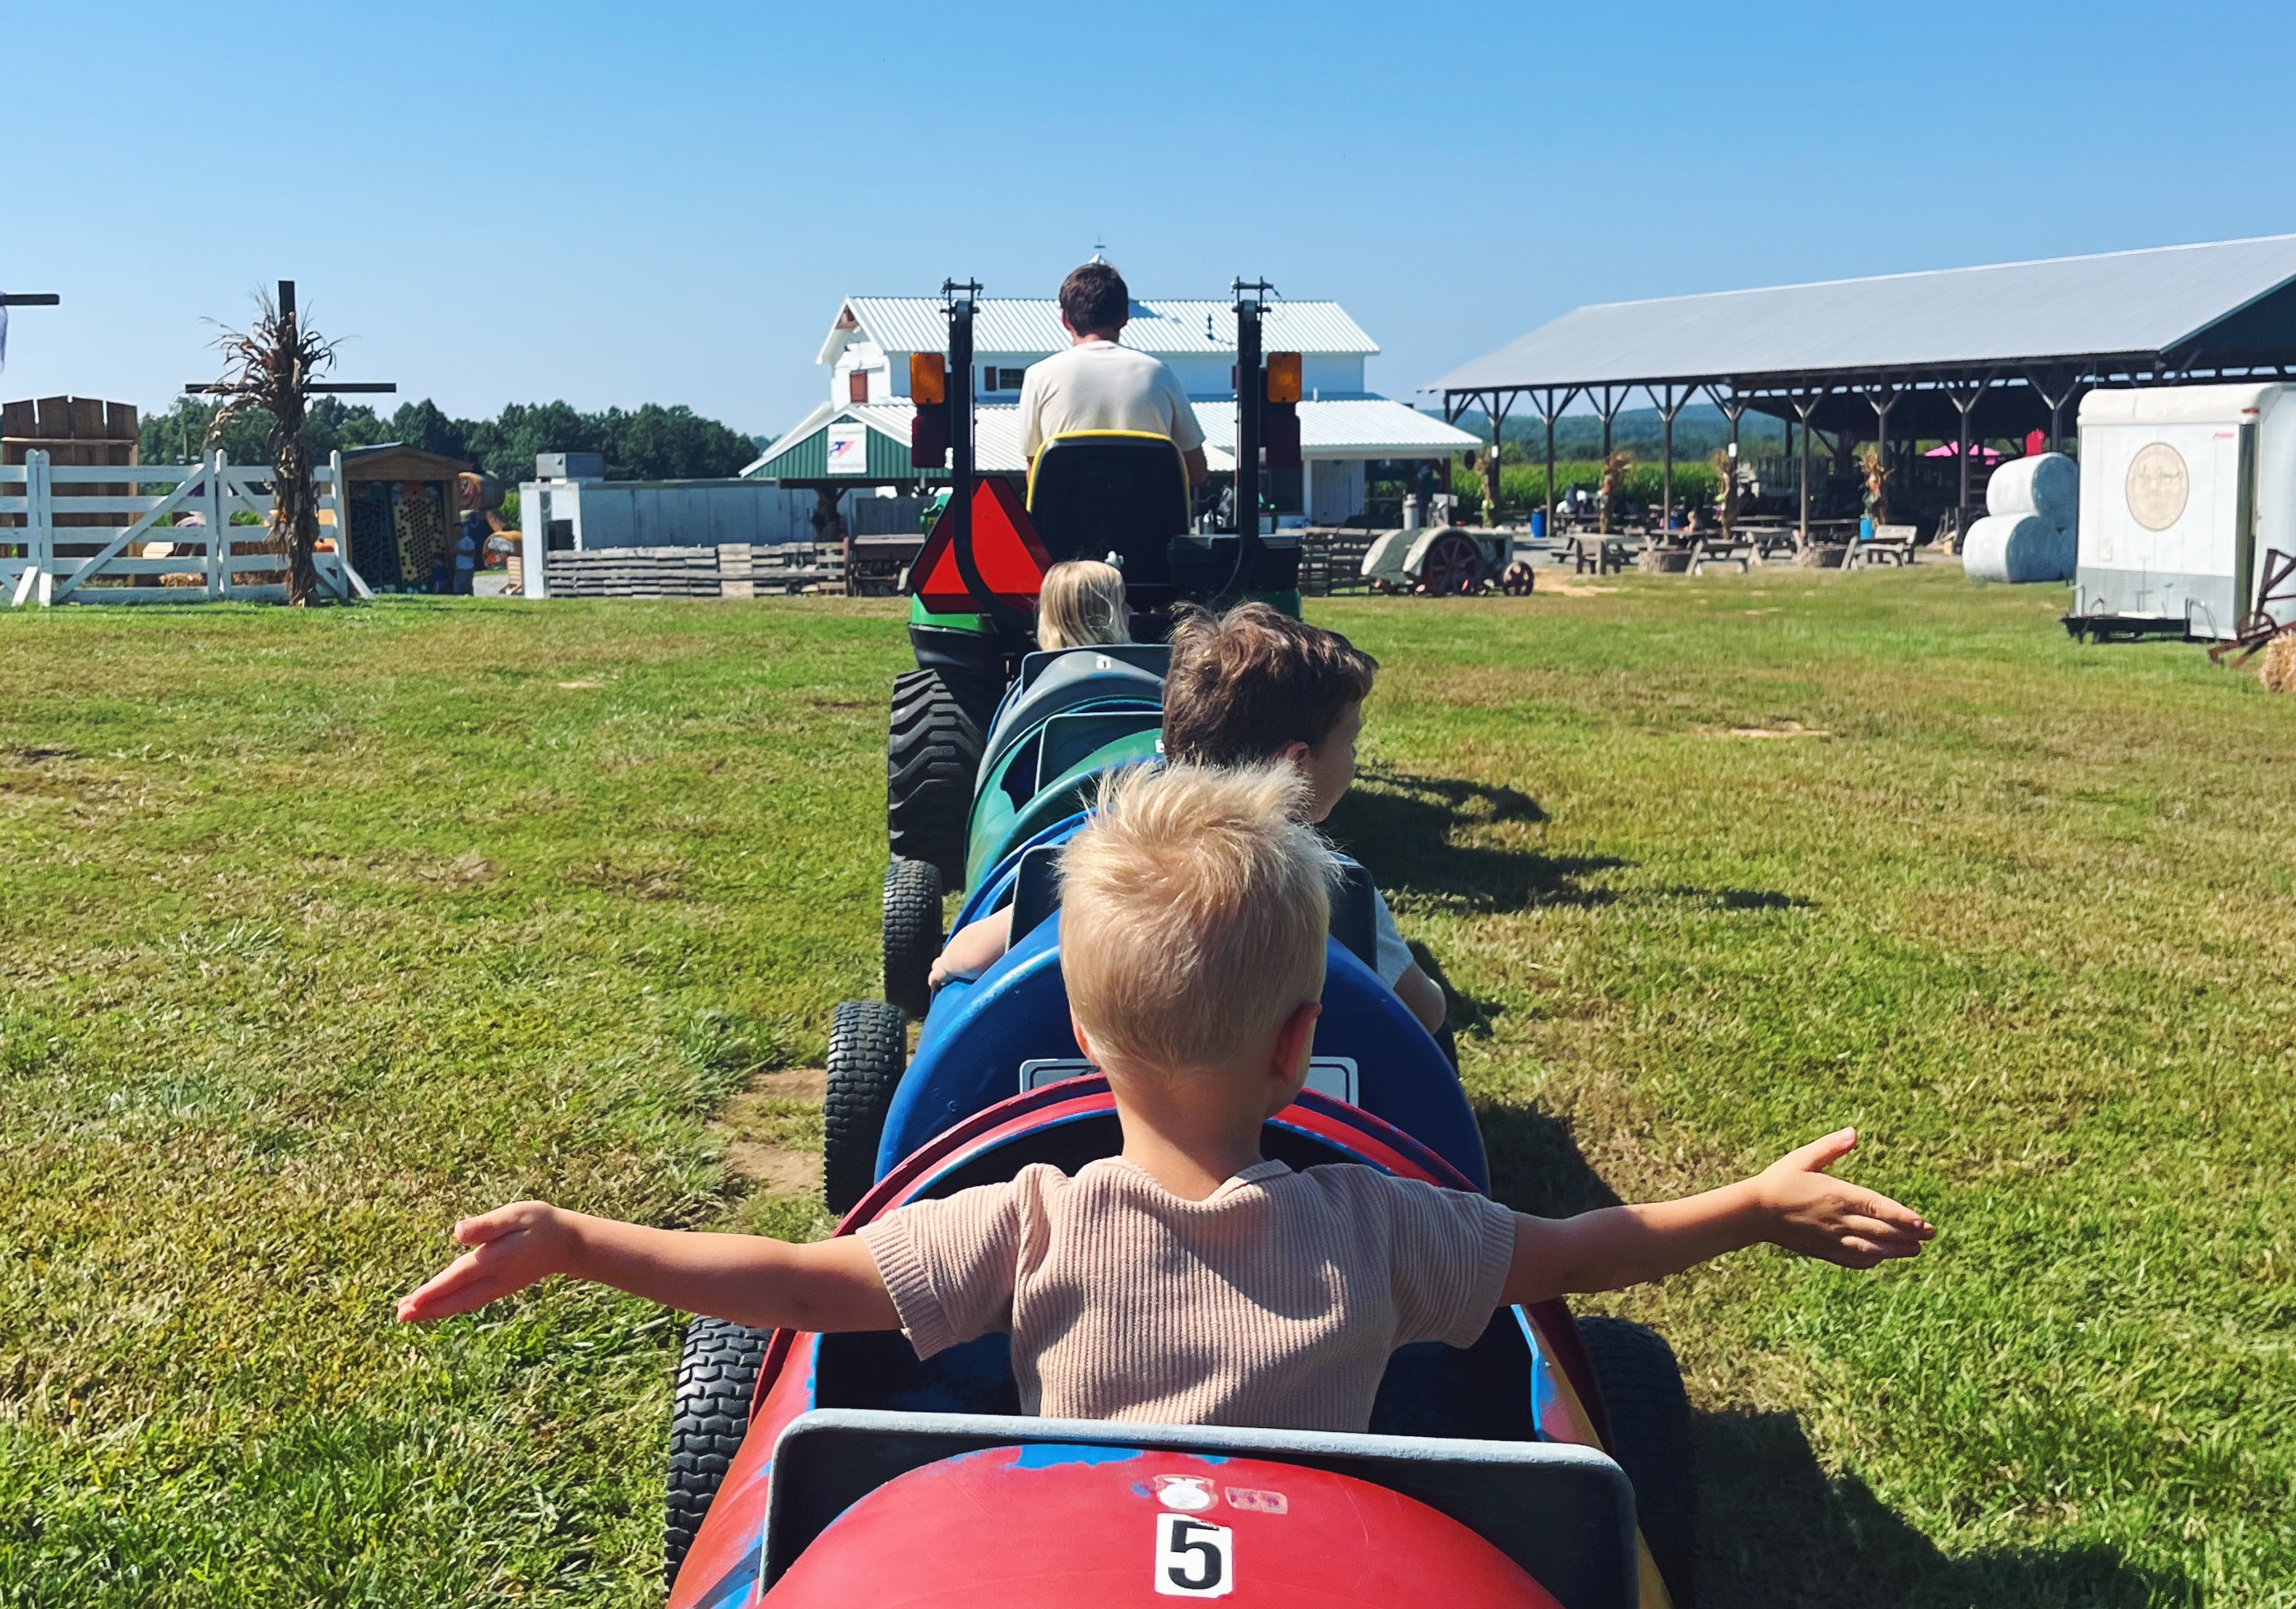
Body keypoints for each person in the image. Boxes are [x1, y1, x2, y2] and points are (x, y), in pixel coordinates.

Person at [396, 762, 1928, 1430]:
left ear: (1066, 1027)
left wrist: (582, 1239)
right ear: (1297, 1045)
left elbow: (791, 1284)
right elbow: (1586, 1250)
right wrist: (1751, 1206)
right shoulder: (1386, 1232)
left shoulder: (1026, 1223)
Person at [927, 600, 1433, 1019]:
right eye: (1351, 742)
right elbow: (1425, 1013)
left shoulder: (1118, 864)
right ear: (1295, 761)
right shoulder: (1336, 887)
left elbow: (974, 953)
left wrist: (949, 961)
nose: (1354, 759)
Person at [1016, 262, 1210, 496]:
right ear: (1125, 316)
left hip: (1067, 530)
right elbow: (1197, 471)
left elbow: (1035, 472)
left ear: (1065, 320)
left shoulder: (1039, 376)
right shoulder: (1160, 374)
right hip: (1151, 529)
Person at [1036, 559, 1132, 651]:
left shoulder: (1047, 665)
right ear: (1098, 617)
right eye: (1121, 604)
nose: (1130, 609)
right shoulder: (1135, 663)